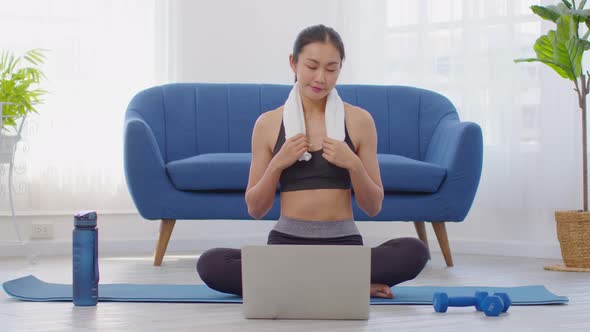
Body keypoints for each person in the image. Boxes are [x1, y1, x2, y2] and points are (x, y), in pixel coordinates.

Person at [197, 24, 429, 299]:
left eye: (331, 69)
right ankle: (344, 287)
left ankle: (297, 287)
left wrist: (353, 164)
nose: (321, 77)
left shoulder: (359, 121)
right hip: (287, 246)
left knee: (415, 251)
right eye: (312, 66)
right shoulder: (269, 124)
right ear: (293, 63)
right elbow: (256, 207)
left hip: (343, 247)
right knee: (212, 263)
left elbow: (373, 206)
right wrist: (278, 163)